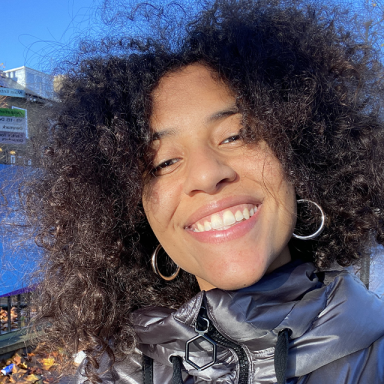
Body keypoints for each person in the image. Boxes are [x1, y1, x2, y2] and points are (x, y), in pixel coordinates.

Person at [26, 0, 384, 383]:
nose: (206, 175)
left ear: (299, 155)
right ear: (133, 212)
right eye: (162, 162)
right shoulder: (101, 374)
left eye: (236, 135)